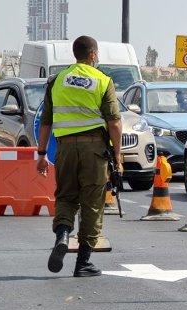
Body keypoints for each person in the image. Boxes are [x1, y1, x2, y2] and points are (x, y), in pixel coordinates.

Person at [35, 35, 122, 277]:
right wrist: (117, 155)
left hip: (64, 149)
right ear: (93, 54)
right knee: (92, 203)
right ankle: (83, 262)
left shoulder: (58, 80)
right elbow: (114, 122)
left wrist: (42, 154)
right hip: (94, 150)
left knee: (65, 197)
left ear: (75, 54)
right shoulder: (102, 81)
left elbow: (46, 122)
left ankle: (63, 235)